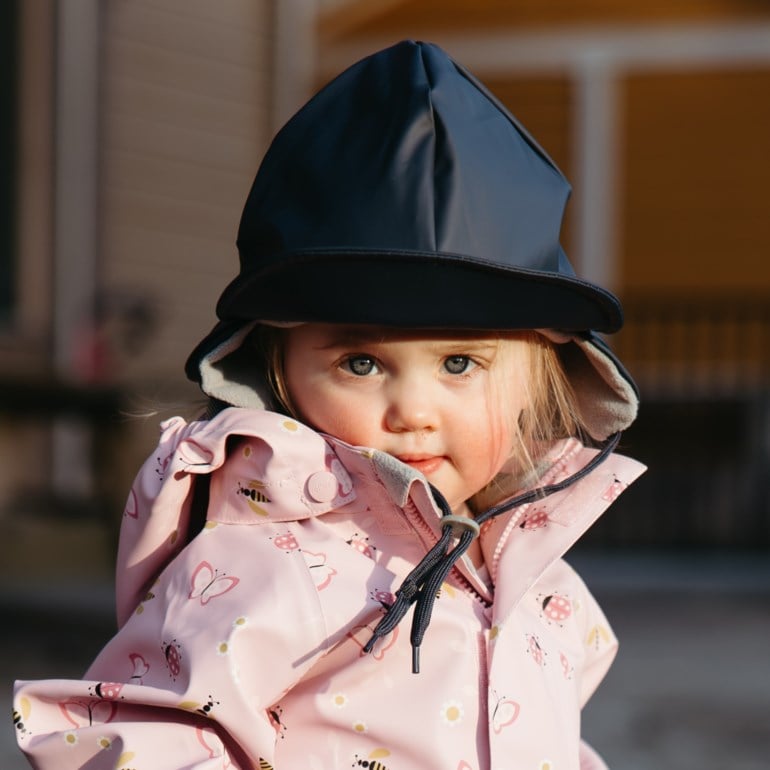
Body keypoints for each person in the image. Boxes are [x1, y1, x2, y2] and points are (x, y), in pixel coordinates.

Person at [14, 40, 644, 770]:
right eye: (363, 363)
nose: (412, 409)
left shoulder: (538, 586)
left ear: (536, 379)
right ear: (278, 370)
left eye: (460, 363)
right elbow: (147, 739)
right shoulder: (261, 569)